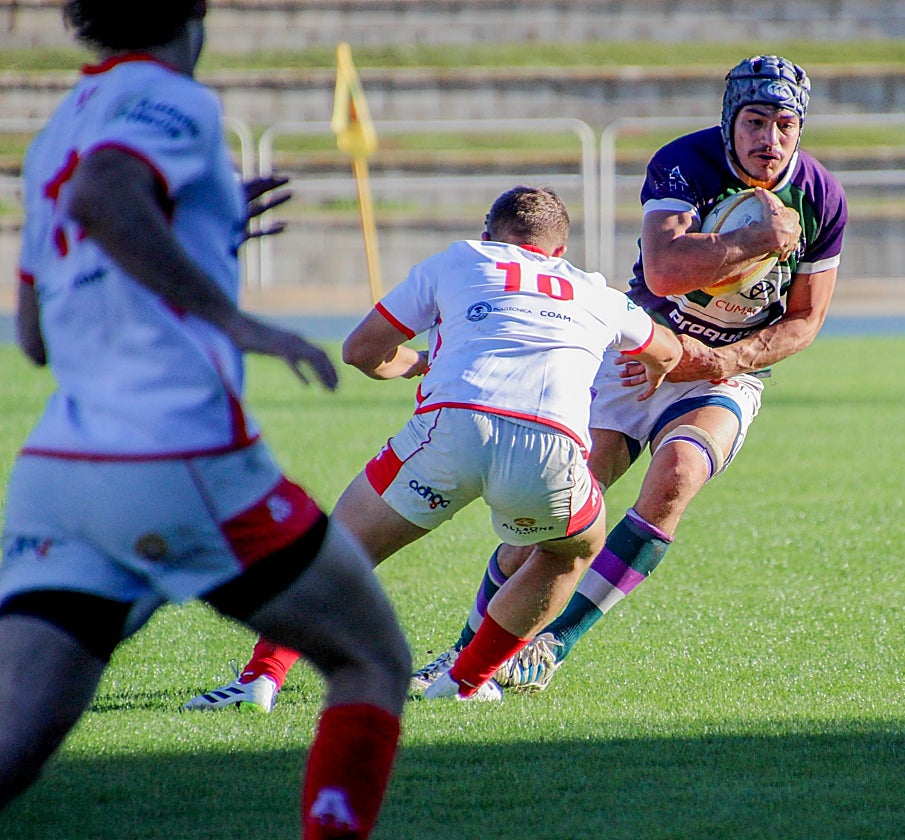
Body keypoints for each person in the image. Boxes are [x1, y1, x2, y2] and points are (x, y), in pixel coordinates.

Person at [0, 3, 412, 836]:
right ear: (193, 13)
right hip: (175, 456)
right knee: (371, 658)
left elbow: (36, 335)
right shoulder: (172, 97)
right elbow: (107, 194)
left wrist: (205, 229)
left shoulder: (57, 131)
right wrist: (237, 321)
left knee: (11, 747)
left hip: (59, 473)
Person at [408, 54, 849, 694]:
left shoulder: (821, 197)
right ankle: (465, 655)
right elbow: (666, 269)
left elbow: (805, 320)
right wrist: (758, 240)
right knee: (555, 515)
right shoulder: (684, 163)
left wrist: (727, 361)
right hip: (637, 355)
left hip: (724, 373)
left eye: (785, 125)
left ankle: (555, 643)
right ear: (731, 120)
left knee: (678, 476)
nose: (770, 140)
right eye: (756, 121)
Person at [183, 185, 682, 707]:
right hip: (550, 444)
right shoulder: (594, 290)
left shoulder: (462, 258)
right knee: (570, 552)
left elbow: (360, 350)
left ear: (488, 235)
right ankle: (464, 683)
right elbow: (665, 348)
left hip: (452, 427)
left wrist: (416, 364)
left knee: (340, 549)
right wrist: (653, 368)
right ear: (559, 254)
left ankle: (261, 679)